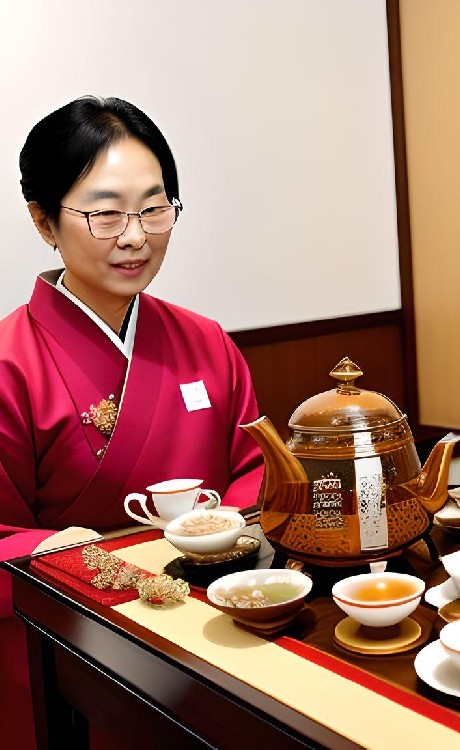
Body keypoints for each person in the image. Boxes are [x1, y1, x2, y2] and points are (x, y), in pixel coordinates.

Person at [0, 96, 264, 748]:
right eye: (106, 211)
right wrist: (45, 554)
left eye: (154, 206)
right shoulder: (10, 363)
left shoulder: (206, 342)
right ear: (43, 220)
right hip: (71, 649)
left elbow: (258, 468)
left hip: (211, 622)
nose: (135, 235)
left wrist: (224, 526)